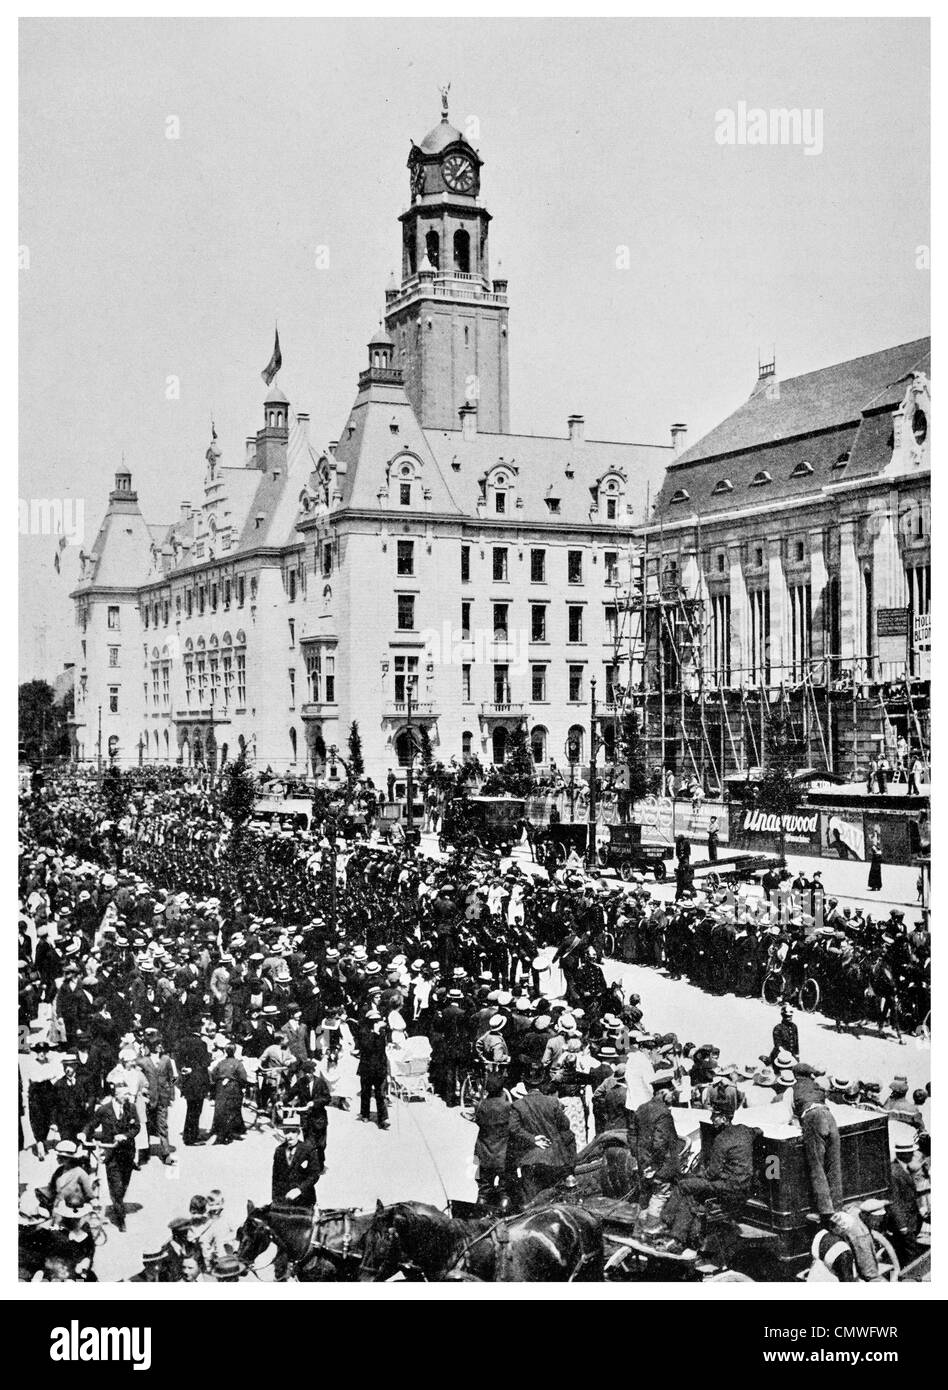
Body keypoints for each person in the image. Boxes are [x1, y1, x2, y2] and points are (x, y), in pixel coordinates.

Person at [660, 1095, 756, 1255]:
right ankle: (677, 1237)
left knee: (684, 1186)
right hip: (742, 1185)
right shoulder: (745, 1130)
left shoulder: (722, 1139)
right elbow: (759, 1131)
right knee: (692, 1194)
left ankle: (666, 1224)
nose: (712, 1120)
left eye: (715, 1117)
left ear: (724, 1118)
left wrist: (696, 1176)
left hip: (727, 1187)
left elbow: (713, 1173)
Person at [509, 1068, 577, 1202]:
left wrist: (533, 1139)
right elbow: (565, 1128)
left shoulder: (517, 1105)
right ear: (542, 1084)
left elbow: (513, 1128)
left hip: (530, 1162)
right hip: (555, 1160)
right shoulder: (553, 1102)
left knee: (532, 1205)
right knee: (556, 1202)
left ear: (525, 1084)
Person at [84, 1078, 140, 1232]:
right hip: (112, 1153)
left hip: (127, 1153)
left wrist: (126, 1136)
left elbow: (137, 1127)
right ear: (116, 1094)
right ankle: (120, 1218)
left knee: (124, 1184)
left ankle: (118, 1204)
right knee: (116, 1185)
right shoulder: (104, 1109)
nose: (127, 1096)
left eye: (128, 1093)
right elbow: (91, 1124)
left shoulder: (131, 1108)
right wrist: (83, 1134)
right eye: (125, 1094)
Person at [631, 1070, 680, 1236]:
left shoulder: (641, 1108)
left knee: (645, 1197)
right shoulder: (664, 1113)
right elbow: (660, 1144)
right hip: (660, 1167)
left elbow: (632, 1135)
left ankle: (639, 1231)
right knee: (660, 1195)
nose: (673, 1096)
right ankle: (651, 1230)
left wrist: (640, 1158)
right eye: (671, 1093)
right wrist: (654, 1165)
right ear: (663, 1093)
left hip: (643, 1163)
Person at [792, 1064, 841, 1219]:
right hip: (828, 1116)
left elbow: (791, 1116)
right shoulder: (817, 1087)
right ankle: (837, 1206)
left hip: (812, 1118)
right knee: (834, 1163)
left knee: (816, 1166)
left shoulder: (792, 1089)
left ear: (795, 1076)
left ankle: (825, 1210)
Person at [473, 1072, 511, 1206]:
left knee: (483, 1189)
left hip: (483, 1155)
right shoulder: (507, 1107)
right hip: (502, 1154)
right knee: (504, 1189)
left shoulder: (480, 1106)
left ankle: (481, 1206)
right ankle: (504, 1204)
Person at [271, 1115, 320, 1206]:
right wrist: (275, 1199)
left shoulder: (308, 1150)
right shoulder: (279, 1151)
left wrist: (299, 1189)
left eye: (293, 1132)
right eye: (286, 1132)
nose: (289, 1136)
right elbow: (275, 1178)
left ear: (298, 1132)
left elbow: (314, 1175)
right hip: (284, 1199)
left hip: (305, 1199)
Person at [356, 1008, 390, 1129]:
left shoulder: (382, 1032)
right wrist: (374, 1033)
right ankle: (365, 1113)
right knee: (365, 1091)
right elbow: (367, 1047)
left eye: (377, 1020)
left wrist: (386, 1068)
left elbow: (382, 1050)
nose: (376, 1022)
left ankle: (383, 1119)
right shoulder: (363, 1032)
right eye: (373, 1020)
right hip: (367, 1067)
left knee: (380, 1094)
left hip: (379, 1067)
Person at [208, 1044, 247, 1145]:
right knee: (231, 1110)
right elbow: (243, 1077)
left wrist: (216, 1083)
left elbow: (213, 1074)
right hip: (233, 1087)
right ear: (234, 1051)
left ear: (225, 1051)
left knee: (220, 1109)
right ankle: (228, 1134)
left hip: (220, 1087)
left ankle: (219, 1131)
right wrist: (242, 1086)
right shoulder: (238, 1063)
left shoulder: (221, 1063)